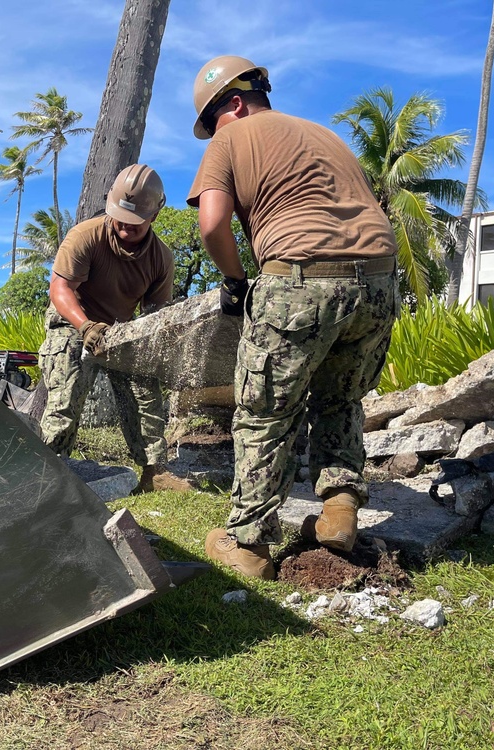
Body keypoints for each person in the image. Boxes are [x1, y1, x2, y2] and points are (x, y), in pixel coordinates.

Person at [186, 56, 399, 579]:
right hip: (379, 281)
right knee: (340, 397)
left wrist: (239, 282)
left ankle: (250, 542)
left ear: (233, 102)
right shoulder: (324, 134)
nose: (212, 132)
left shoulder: (230, 139)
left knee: (264, 411)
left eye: (213, 119)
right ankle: (339, 511)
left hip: (301, 277)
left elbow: (212, 226)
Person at [39, 164, 175, 493]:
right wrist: (85, 326)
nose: (125, 229)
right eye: (121, 220)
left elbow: (154, 314)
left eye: (135, 225)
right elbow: (60, 289)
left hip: (120, 331)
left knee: (145, 392)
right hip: (73, 322)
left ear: (153, 217)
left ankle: (154, 474)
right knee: (67, 392)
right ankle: (47, 476)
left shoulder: (161, 259)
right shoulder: (86, 235)